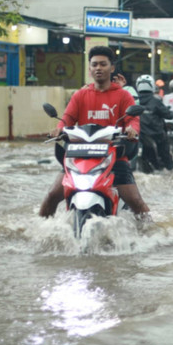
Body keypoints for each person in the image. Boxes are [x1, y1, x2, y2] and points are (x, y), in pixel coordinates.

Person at [39, 46, 149, 218]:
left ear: (112, 68)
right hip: (80, 157)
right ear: (89, 68)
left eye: (103, 64)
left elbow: (132, 120)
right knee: (52, 196)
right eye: (94, 64)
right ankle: (42, 231)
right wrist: (59, 129)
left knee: (135, 201)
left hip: (114, 158)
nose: (98, 68)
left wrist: (131, 130)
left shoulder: (123, 96)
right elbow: (67, 118)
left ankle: (150, 233)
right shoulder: (80, 95)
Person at [137, 75, 173, 171]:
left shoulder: (134, 100)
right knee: (164, 148)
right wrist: (169, 112)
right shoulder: (155, 101)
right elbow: (169, 115)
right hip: (155, 133)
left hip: (139, 134)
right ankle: (169, 165)